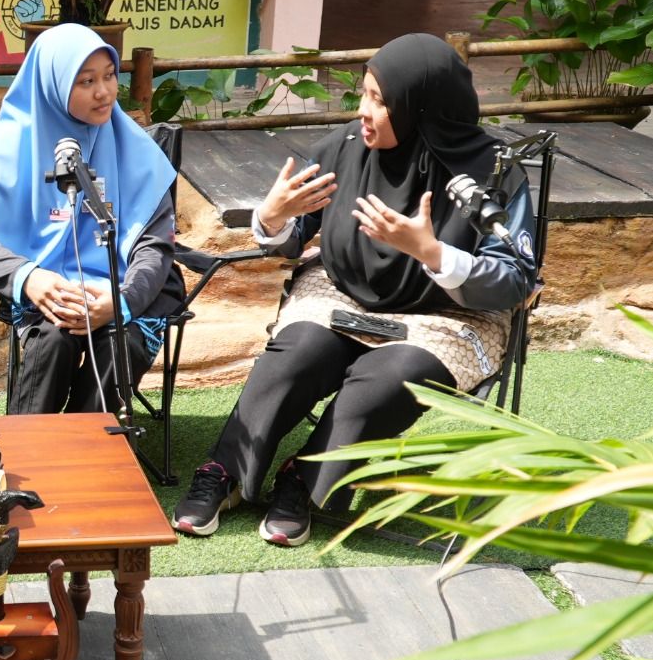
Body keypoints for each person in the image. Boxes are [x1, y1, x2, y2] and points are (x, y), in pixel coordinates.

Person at [171, 34, 535, 548]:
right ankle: (225, 470)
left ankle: (303, 480)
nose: (363, 111)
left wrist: (432, 252)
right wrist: (271, 218)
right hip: (341, 291)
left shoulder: (491, 173)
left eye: (380, 101)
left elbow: (515, 277)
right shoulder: (347, 147)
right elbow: (293, 235)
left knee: (391, 376)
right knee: (296, 354)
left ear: (421, 107)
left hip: (449, 315)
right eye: (364, 94)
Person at [0, 23, 182, 415]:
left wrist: (120, 301)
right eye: (86, 81)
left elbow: (154, 245)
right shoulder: (18, 142)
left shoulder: (137, 150)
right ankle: (24, 449)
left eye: (109, 76)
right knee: (53, 341)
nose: (104, 91)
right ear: (52, 86)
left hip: (124, 288)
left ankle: (91, 445)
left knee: (120, 345)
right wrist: (27, 277)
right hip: (48, 290)